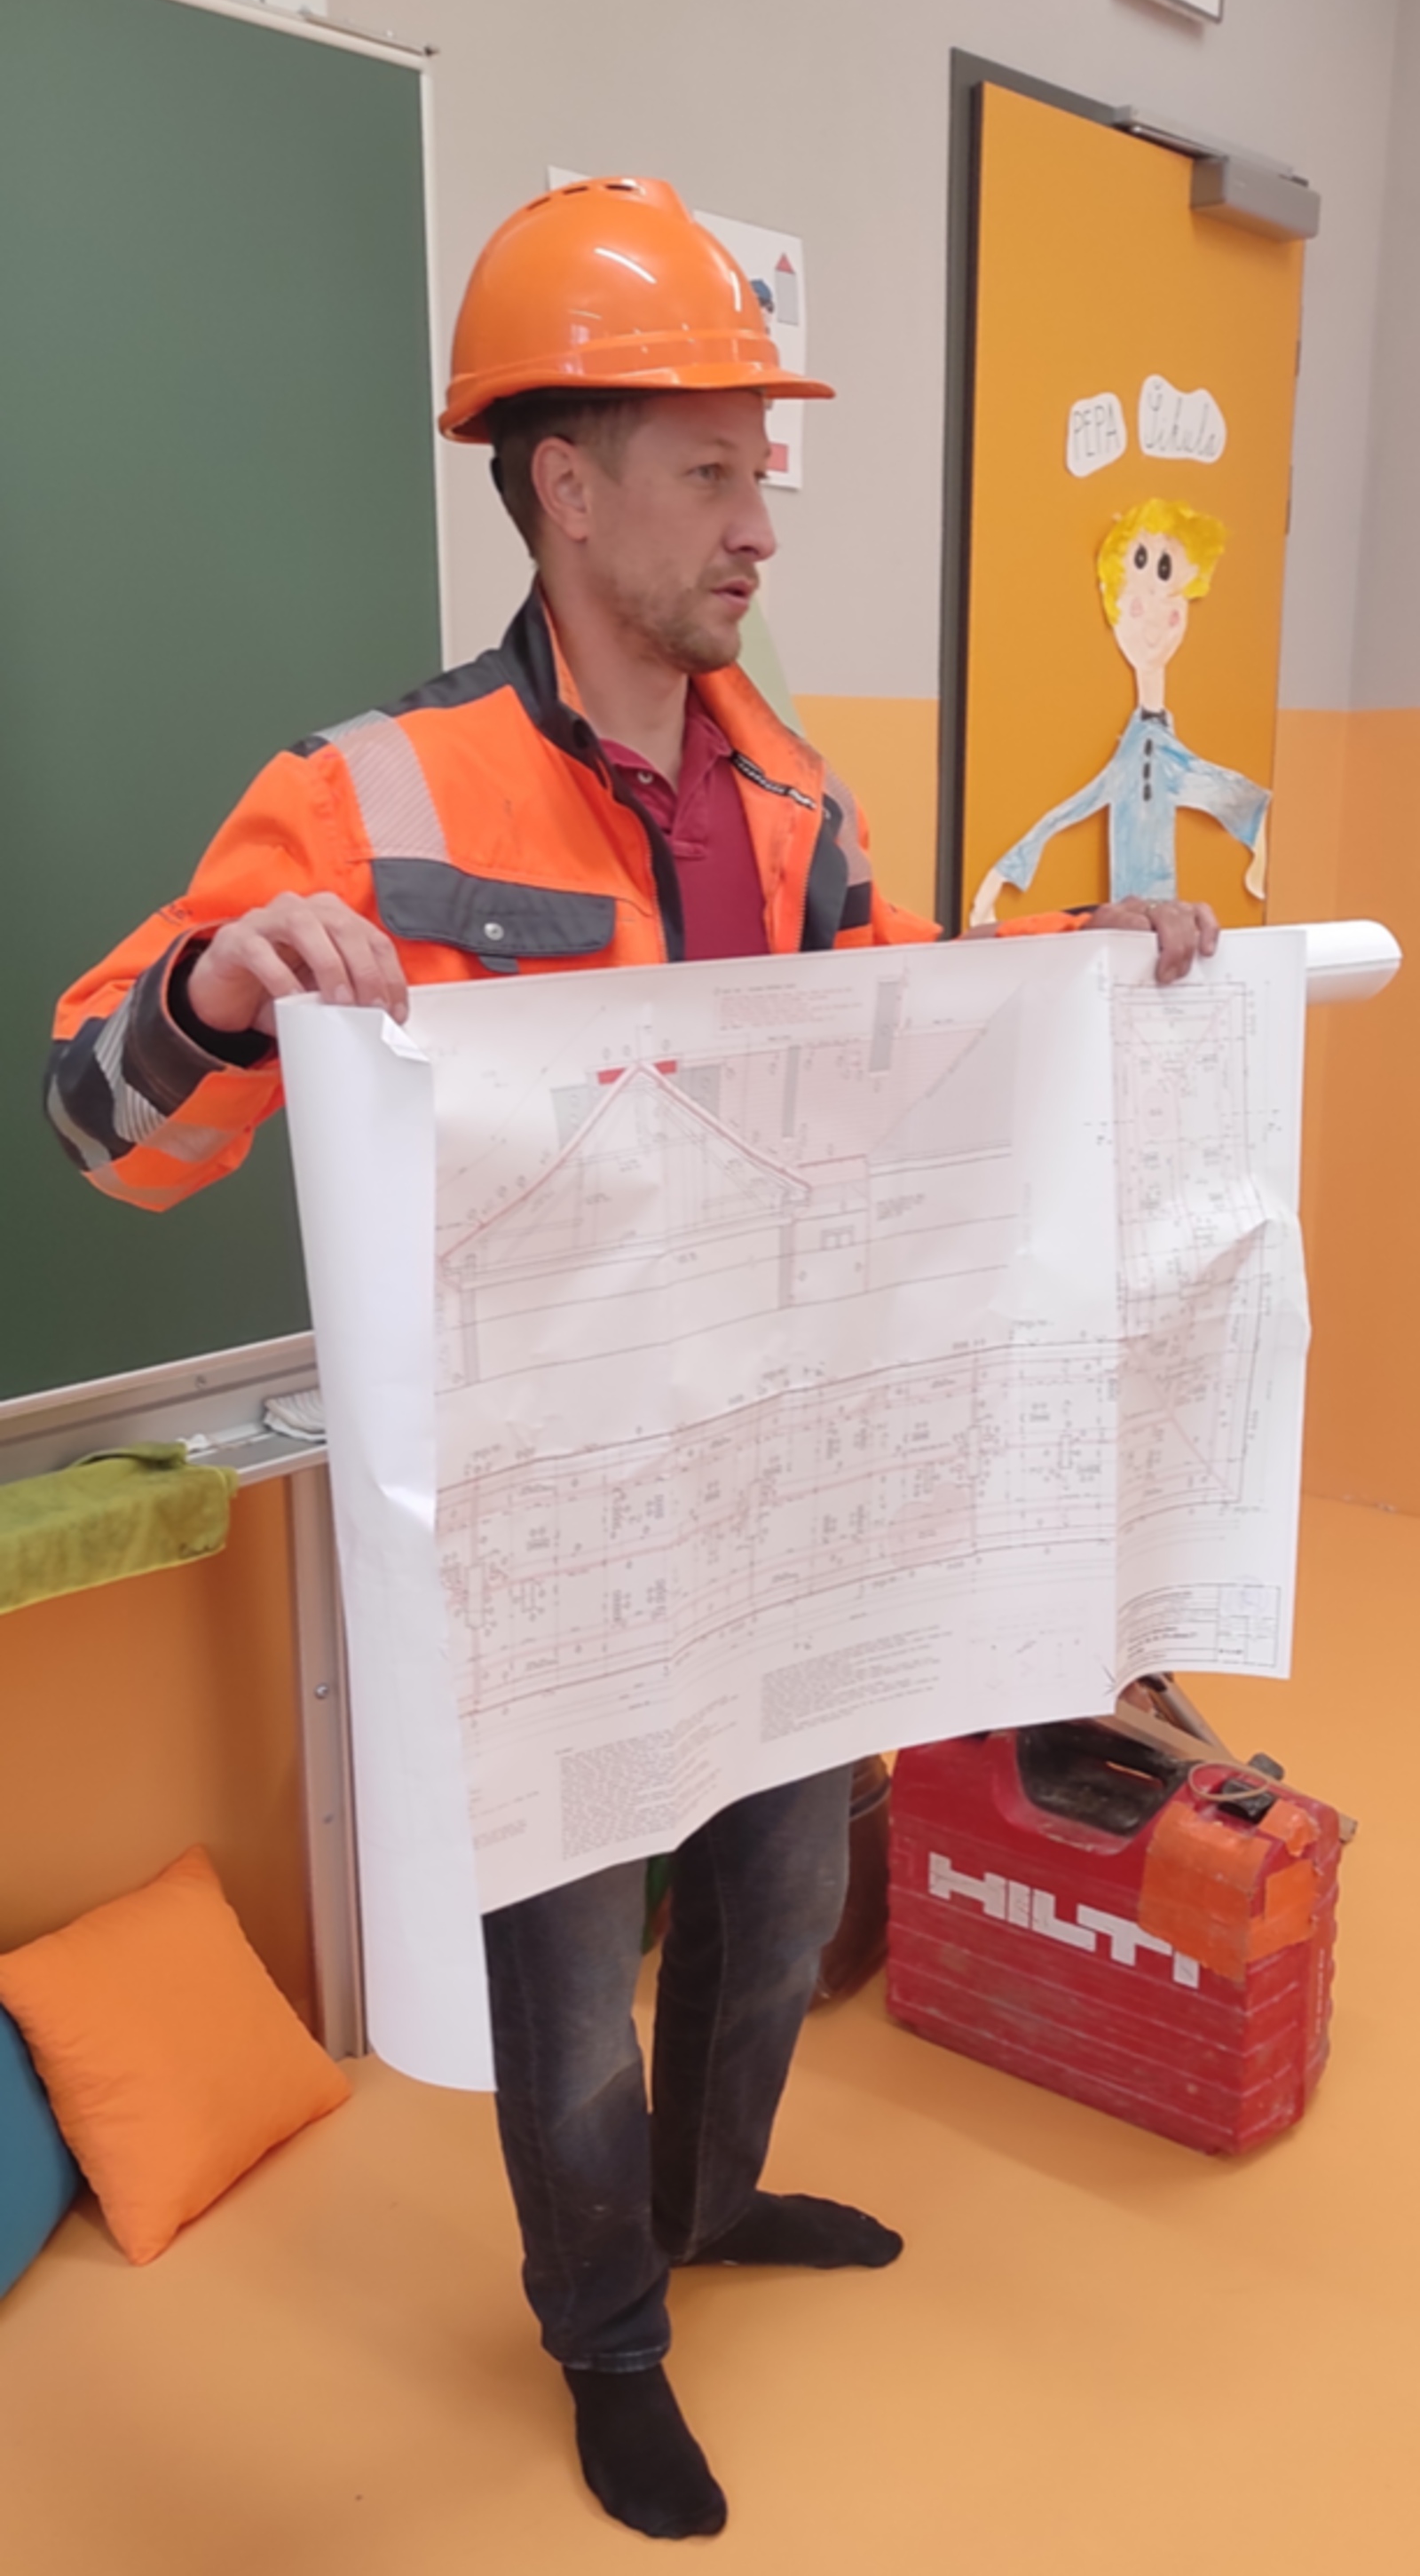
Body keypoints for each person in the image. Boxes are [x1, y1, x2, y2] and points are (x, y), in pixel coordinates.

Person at [45, 178, 1218, 2541]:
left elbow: (899, 1031)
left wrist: (1088, 962)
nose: (760, 521)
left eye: (761, 469)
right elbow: (100, 1121)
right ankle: (605, 2331)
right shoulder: (372, 795)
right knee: (571, 1984)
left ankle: (716, 2196)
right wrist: (218, 983)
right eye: (711, 471)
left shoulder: (790, 791)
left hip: (775, 1498)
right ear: (564, 485)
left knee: (775, 1909)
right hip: (546, 1542)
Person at [969, 497, 1269, 926]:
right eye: (1139, 582)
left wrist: (1259, 845)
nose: (1154, 611)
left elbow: (1223, 791)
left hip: (1158, 926)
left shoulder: (1160, 750)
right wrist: (1003, 873)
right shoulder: (1144, 749)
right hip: (1129, 925)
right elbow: (1079, 804)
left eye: (1167, 581)